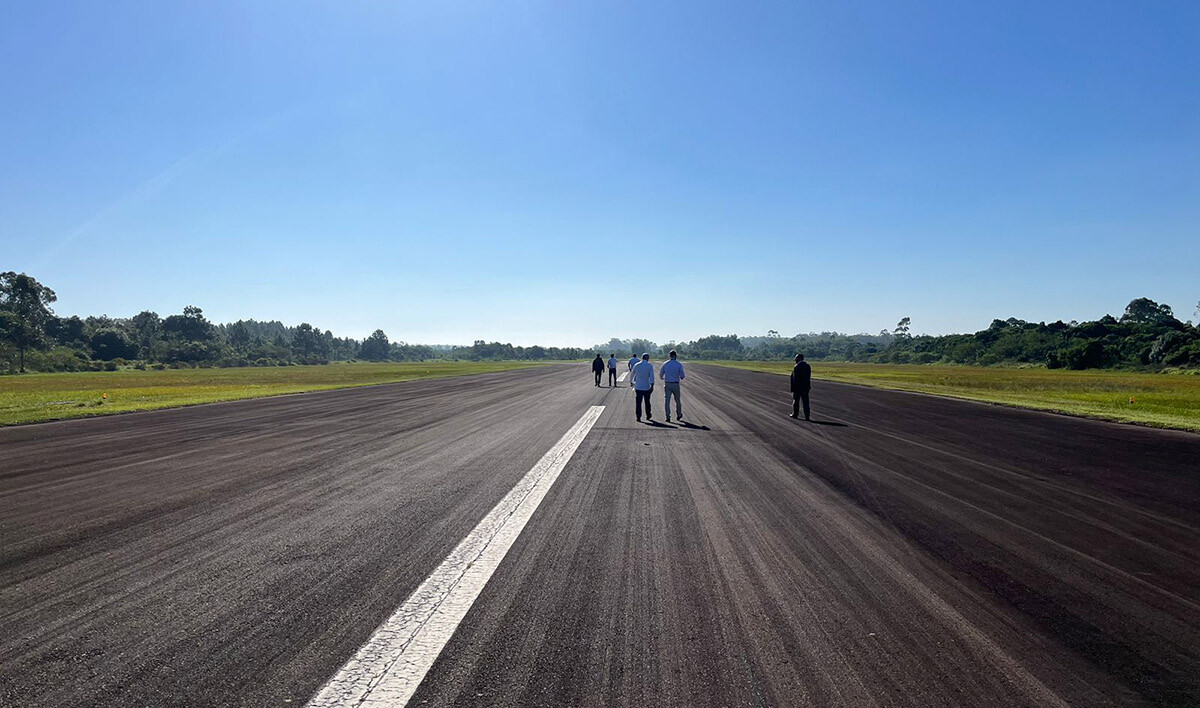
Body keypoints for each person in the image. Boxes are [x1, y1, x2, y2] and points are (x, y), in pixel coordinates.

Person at [659, 350, 685, 422]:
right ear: (675, 356)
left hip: (667, 383)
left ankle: (668, 416)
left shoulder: (665, 364)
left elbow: (661, 375)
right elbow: (682, 376)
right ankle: (679, 414)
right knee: (677, 400)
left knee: (667, 401)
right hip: (676, 384)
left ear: (669, 356)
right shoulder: (679, 364)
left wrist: (665, 378)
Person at [631, 353, 656, 421]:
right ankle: (648, 415)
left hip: (638, 387)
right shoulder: (649, 365)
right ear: (647, 358)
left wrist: (632, 382)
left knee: (638, 403)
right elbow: (651, 376)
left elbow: (632, 374)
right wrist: (652, 385)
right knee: (647, 402)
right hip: (646, 387)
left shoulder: (636, 365)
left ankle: (638, 416)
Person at [790, 353, 812, 420]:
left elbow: (795, 378)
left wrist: (793, 388)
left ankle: (795, 414)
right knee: (806, 402)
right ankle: (807, 416)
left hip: (798, 388)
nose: (795, 359)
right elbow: (808, 377)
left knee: (796, 401)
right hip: (805, 387)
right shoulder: (808, 366)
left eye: (796, 358)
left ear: (799, 358)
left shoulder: (797, 366)